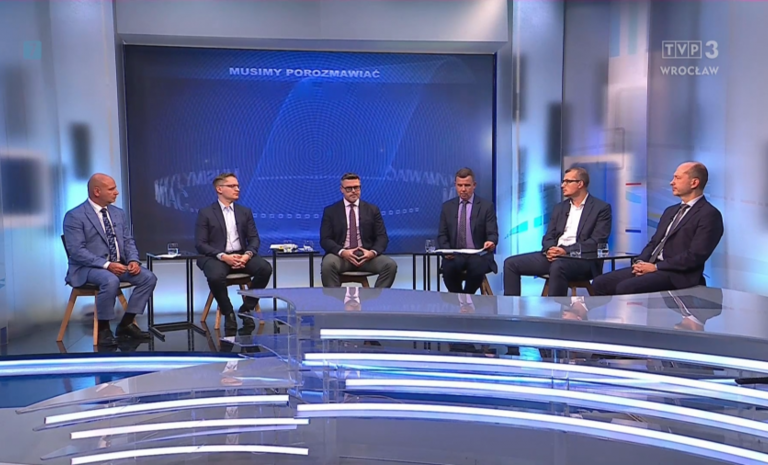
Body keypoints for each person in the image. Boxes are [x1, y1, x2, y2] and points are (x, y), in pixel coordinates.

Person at [593, 162, 723, 295]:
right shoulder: (670, 211)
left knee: (626, 287)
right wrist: (640, 262)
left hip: (677, 274)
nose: (672, 182)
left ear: (694, 183)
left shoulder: (709, 214)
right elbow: (655, 242)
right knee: (600, 282)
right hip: (652, 266)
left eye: (677, 178)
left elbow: (694, 256)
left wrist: (656, 267)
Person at [63, 173, 156, 346]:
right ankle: (104, 329)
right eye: (111, 189)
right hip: (87, 268)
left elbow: (128, 241)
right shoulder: (75, 216)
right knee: (110, 280)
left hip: (118, 266)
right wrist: (106, 265)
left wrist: (133, 260)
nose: (116, 192)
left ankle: (126, 324)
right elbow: (76, 251)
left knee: (148, 277)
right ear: (97, 191)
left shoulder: (118, 213)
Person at [503, 167, 612, 296]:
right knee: (511, 264)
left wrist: (565, 250)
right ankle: (511, 307)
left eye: (567, 181)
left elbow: (597, 241)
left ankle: (556, 308)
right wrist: (550, 249)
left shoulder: (601, 208)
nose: (562, 185)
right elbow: (548, 236)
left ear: (580, 184)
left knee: (558, 266)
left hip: (582, 260)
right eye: (563, 181)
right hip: (556, 256)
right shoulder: (560, 208)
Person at [195, 173, 272, 331]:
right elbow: (200, 244)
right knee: (215, 276)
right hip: (216, 257)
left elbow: (254, 239)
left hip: (241, 255)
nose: (237, 189)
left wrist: (247, 255)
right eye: (232, 186)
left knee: (265, 268)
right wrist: (224, 256)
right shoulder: (206, 213)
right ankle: (228, 312)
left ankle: (246, 308)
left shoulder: (245, 212)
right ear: (219, 189)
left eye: (237, 186)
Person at [320, 173, 397, 287]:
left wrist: (372, 253)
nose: (353, 191)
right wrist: (343, 252)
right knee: (328, 264)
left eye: (356, 187)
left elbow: (382, 237)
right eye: (349, 188)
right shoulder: (331, 211)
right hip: (341, 257)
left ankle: (376, 297)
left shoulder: (372, 210)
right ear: (342, 189)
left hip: (366, 257)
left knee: (390, 265)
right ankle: (335, 298)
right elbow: (325, 240)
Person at [437, 168, 498, 294]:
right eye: (460, 185)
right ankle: (460, 299)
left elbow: (492, 234)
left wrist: (490, 242)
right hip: (455, 255)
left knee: (477, 267)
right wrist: (447, 250)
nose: (463, 189)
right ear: (455, 185)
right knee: (448, 269)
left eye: (467, 185)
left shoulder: (486, 206)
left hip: (478, 255)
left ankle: (466, 297)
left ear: (474, 185)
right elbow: (442, 235)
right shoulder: (447, 207)